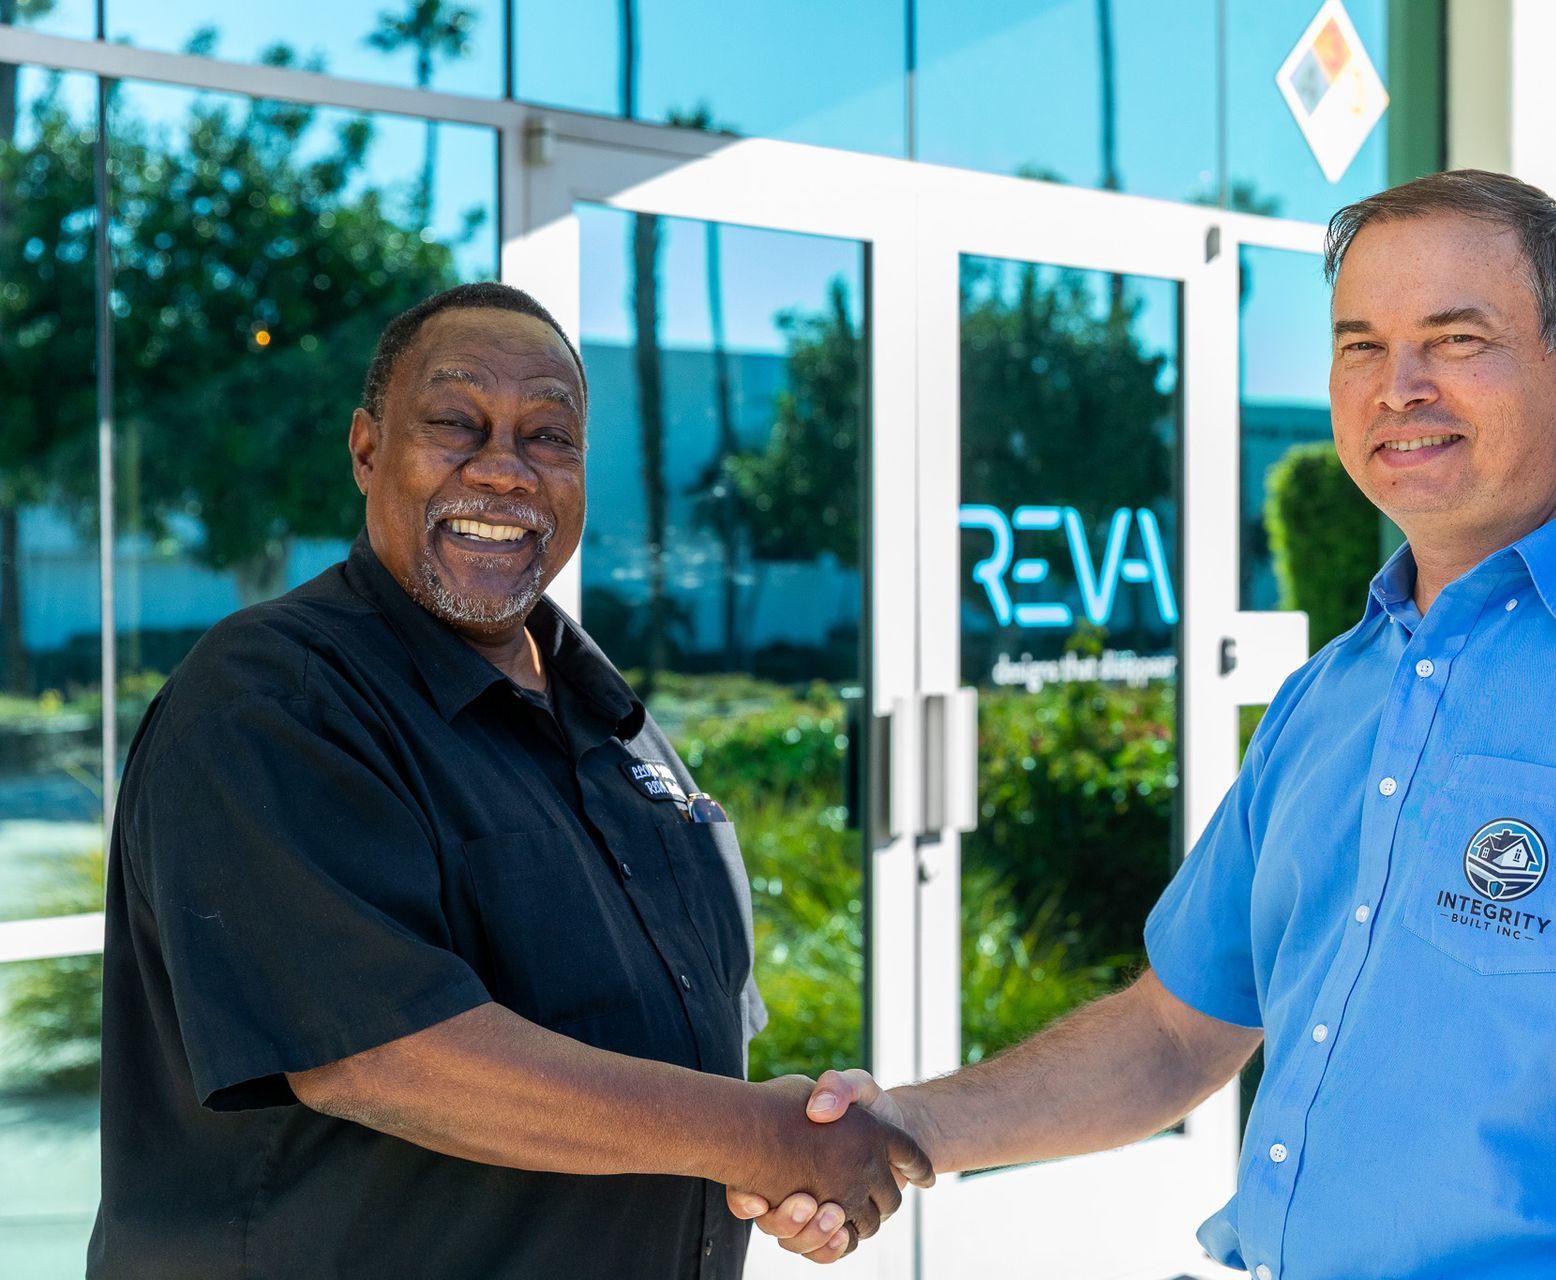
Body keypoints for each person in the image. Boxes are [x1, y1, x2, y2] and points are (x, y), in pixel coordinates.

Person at [735, 172, 1556, 1278]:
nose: (1400, 386)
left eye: (1456, 341)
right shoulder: (1331, 693)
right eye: (1364, 347)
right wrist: (904, 1128)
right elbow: (1171, 1032)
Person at [87, 282, 931, 1280]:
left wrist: (788, 1155)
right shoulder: (271, 699)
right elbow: (381, 1051)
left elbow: (687, 1035)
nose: (503, 470)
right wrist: (761, 1134)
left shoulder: (612, 718)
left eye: (548, 437)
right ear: (365, 450)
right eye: (454, 423)